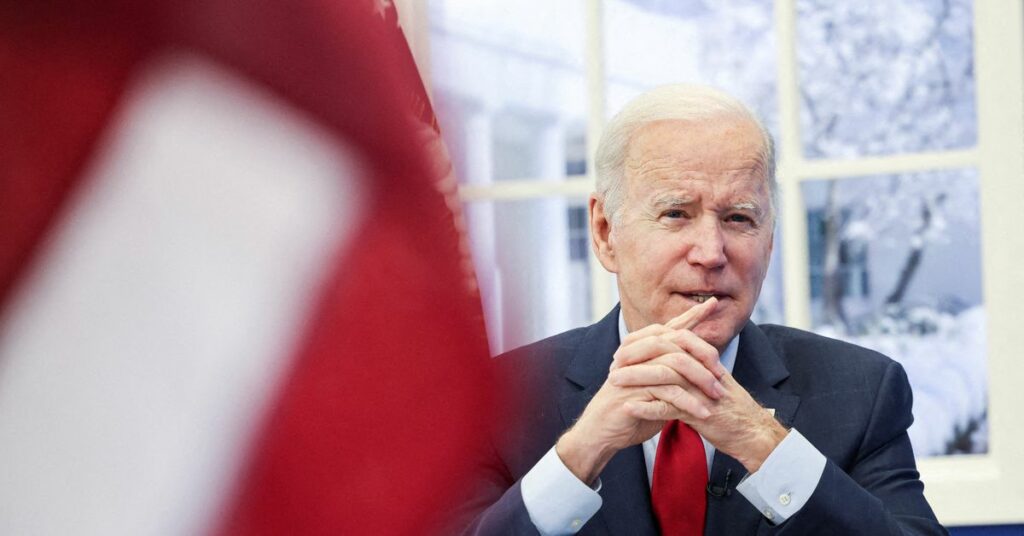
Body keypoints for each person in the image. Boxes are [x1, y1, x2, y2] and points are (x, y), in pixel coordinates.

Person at [456, 85, 946, 535]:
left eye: (738, 218)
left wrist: (764, 443)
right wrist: (581, 452)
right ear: (605, 233)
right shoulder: (496, 401)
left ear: (769, 242)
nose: (711, 252)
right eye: (675, 214)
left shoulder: (862, 392)